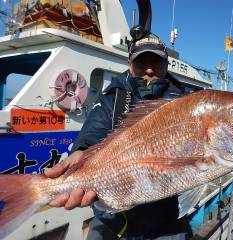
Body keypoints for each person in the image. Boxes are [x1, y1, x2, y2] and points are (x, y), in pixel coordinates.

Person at [45, 33, 192, 239]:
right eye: (142, 61)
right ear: (130, 64)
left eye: (156, 61)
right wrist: (80, 152)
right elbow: (93, 131)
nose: (149, 69)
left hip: (165, 218)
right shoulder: (114, 97)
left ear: (166, 65)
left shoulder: (184, 103)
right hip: (113, 217)